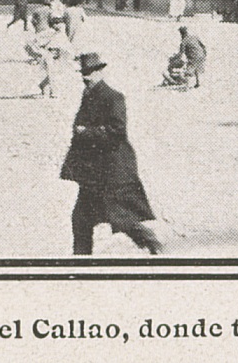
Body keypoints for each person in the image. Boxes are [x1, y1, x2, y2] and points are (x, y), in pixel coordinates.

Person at [60, 53, 164, 256]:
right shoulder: (88, 95)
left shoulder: (113, 97)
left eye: (89, 72)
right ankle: (81, 261)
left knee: (119, 215)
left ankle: (149, 241)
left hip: (112, 168)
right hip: (93, 171)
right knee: (81, 219)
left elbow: (117, 131)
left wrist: (86, 132)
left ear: (100, 72)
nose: (85, 77)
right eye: (83, 73)